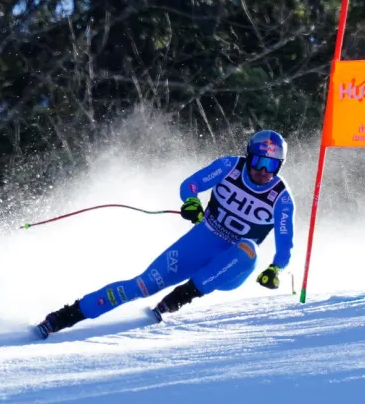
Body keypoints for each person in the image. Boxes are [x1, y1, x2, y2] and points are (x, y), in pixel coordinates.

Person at [31, 129, 295, 339]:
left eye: (271, 165)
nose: (263, 171)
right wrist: (191, 202)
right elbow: (190, 185)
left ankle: (180, 297)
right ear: (248, 156)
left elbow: (285, 247)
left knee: (249, 248)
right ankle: (62, 318)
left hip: (231, 267)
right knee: (142, 285)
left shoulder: (281, 198)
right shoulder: (229, 166)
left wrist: (275, 269)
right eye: (258, 161)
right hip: (201, 242)